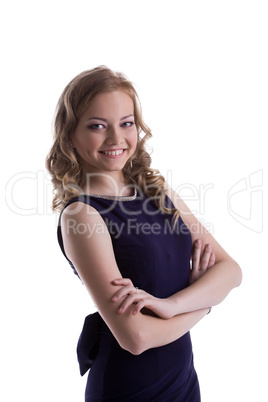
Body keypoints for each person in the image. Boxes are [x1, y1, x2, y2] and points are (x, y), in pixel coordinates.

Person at [46, 66, 242, 401]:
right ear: (70, 137)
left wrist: (172, 305)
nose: (116, 139)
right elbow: (135, 337)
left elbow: (232, 271)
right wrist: (203, 304)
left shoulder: (156, 190)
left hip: (183, 380)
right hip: (131, 387)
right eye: (97, 126)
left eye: (126, 123)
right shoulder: (83, 215)